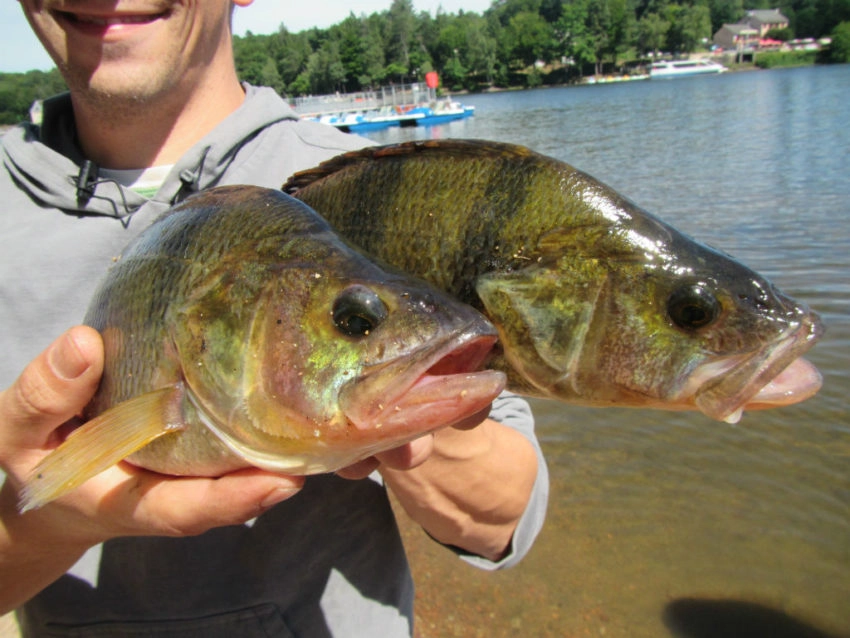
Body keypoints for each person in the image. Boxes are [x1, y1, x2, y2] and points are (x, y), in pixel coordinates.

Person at [0, 2, 549, 636]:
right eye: (353, 319)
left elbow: (504, 520)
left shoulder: (373, 191)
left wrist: (407, 416)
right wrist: (44, 523)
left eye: (353, 317)